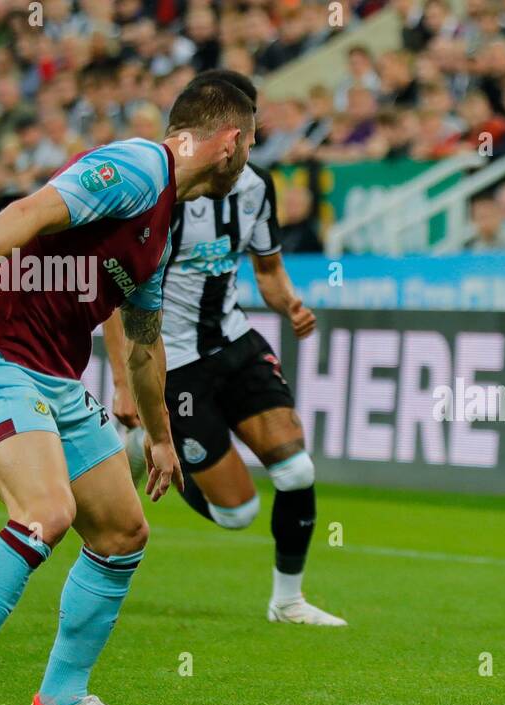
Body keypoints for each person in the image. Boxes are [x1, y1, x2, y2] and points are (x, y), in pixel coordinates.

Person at [0, 75, 257, 705]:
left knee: (122, 532)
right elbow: (29, 211)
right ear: (231, 141)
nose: (252, 159)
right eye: (254, 142)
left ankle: (60, 700)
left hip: (55, 378)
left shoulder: (164, 225)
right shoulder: (140, 167)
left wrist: (162, 436)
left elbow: (144, 344)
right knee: (45, 513)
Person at [106, 71, 345, 628]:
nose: (255, 145)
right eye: (252, 134)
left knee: (297, 471)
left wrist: (290, 304)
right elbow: (120, 299)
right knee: (238, 514)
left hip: (235, 342)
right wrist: (123, 383)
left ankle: (288, 600)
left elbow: (268, 269)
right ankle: (149, 439)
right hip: (179, 366)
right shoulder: (155, 196)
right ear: (229, 135)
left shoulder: (257, 187)